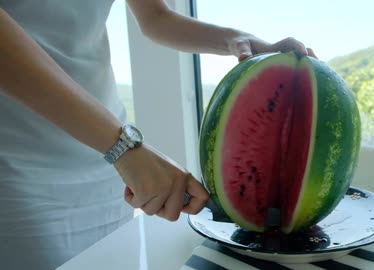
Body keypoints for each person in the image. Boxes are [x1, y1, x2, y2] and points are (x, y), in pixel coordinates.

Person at [0, 0, 316, 269]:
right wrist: (122, 146)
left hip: (107, 166)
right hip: (17, 171)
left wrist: (238, 38)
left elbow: (156, 18)